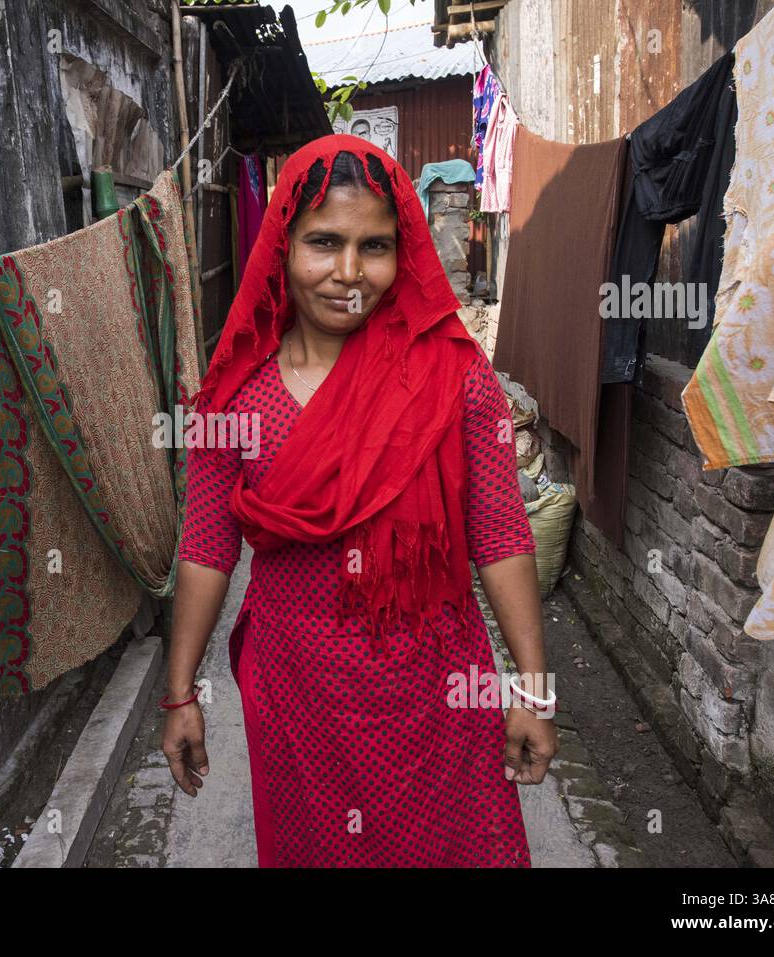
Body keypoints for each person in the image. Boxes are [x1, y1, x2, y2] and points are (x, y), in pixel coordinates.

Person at [161, 133, 559, 867]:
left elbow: (500, 531)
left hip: (436, 690)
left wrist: (532, 688)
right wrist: (180, 690)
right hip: (296, 691)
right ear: (281, 244)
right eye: (324, 242)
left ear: (401, 251)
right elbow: (206, 546)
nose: (349, 273)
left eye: (374, 246)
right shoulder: (236, 394)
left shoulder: (454, 376)